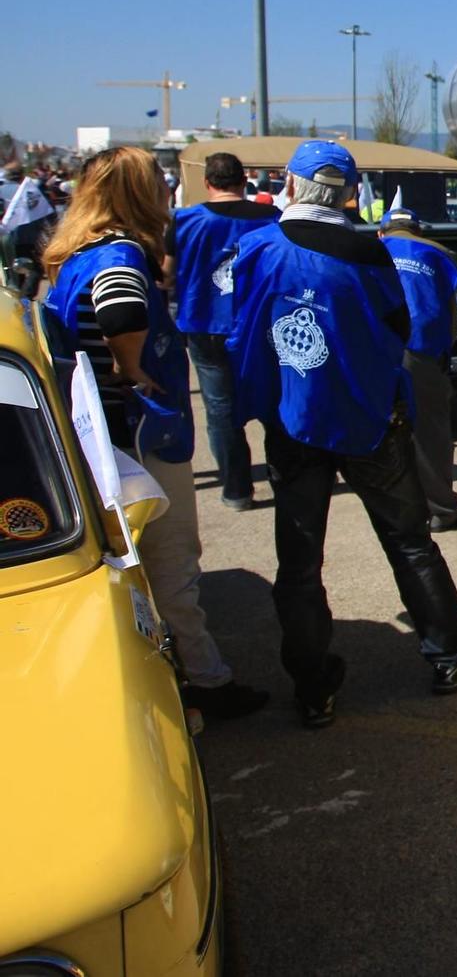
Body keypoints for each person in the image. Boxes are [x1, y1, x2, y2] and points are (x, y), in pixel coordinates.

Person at [228, 140, 457, 727]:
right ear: (350, 194)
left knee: (299, 560)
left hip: (293, 420)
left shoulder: (257, 249)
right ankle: (451, 654)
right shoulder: (371, 255)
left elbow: (240, 331)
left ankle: (312, 685)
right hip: (367, 419)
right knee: (408, 540)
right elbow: (400, 327)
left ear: (292, 186)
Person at [43, 146, 268, 722]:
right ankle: (205, 680)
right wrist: (132, 368)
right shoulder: (120, 254)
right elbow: (121, 311)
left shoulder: (76, 254)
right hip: (139, 437)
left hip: (102, 437)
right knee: (173, 566)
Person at [172, 150, 280, 510]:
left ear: (207, 183)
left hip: (205, 322)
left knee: (220, 411)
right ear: (243, 181)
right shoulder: (272, 218)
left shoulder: (185, 220)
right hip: (258, 323)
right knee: (273, 404)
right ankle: (287, 481)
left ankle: (237, 490)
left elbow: (167, 273)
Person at [378, 207, 457, 532]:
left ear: (383, 231)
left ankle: (395, 508)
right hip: (422, 349)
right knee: (430, 431)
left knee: (380, 428)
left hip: (377, 348)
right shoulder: (437, 254)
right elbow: (451, 309)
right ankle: (441, 509)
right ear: (417, 230)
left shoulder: (372, 250)